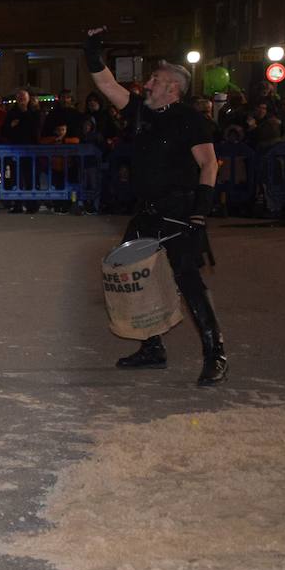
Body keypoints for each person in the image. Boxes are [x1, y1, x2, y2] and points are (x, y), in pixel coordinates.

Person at [84, 28, 227, 385]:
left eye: (154, 80)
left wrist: (201, 210)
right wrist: (92, 52)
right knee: (138, 278)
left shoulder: (189, 120)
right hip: (147, 211)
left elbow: (209, 164)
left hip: (179, 212)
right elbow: (108, 86)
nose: (147, 84)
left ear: (172, 89)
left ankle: (216, 354)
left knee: (188, 281)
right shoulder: (140, 112)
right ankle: (152, 348)